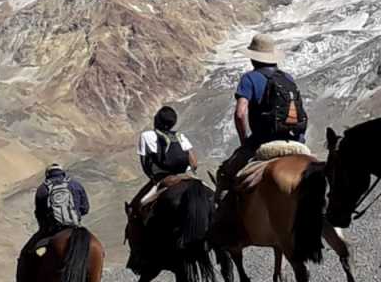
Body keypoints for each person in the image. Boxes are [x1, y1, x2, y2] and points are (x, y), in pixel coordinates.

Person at [212, 34, 308, 236]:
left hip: (264, 141)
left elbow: (240, 113)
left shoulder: (249, 78)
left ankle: (226, 229)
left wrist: (245, 141)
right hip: (297, 141)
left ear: (253, 58)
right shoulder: (287, 78)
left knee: (226, 174)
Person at [4, 164, 90, 282]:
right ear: (63, 172)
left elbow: (39, 214)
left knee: (25, 254)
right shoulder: (75, 184)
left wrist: (45, 228)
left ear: (47, 174)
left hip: (51, 231)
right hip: (75, 228)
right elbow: (85, 208)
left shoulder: (42, 189)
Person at [131, 106, 198, 211]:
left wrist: (154, 179)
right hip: (186, 176)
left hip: (162, 178)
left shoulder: (146, 135)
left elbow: (145, 165)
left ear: (157, 120)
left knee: (139, 206)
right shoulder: (180, 136)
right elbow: (194, 164)